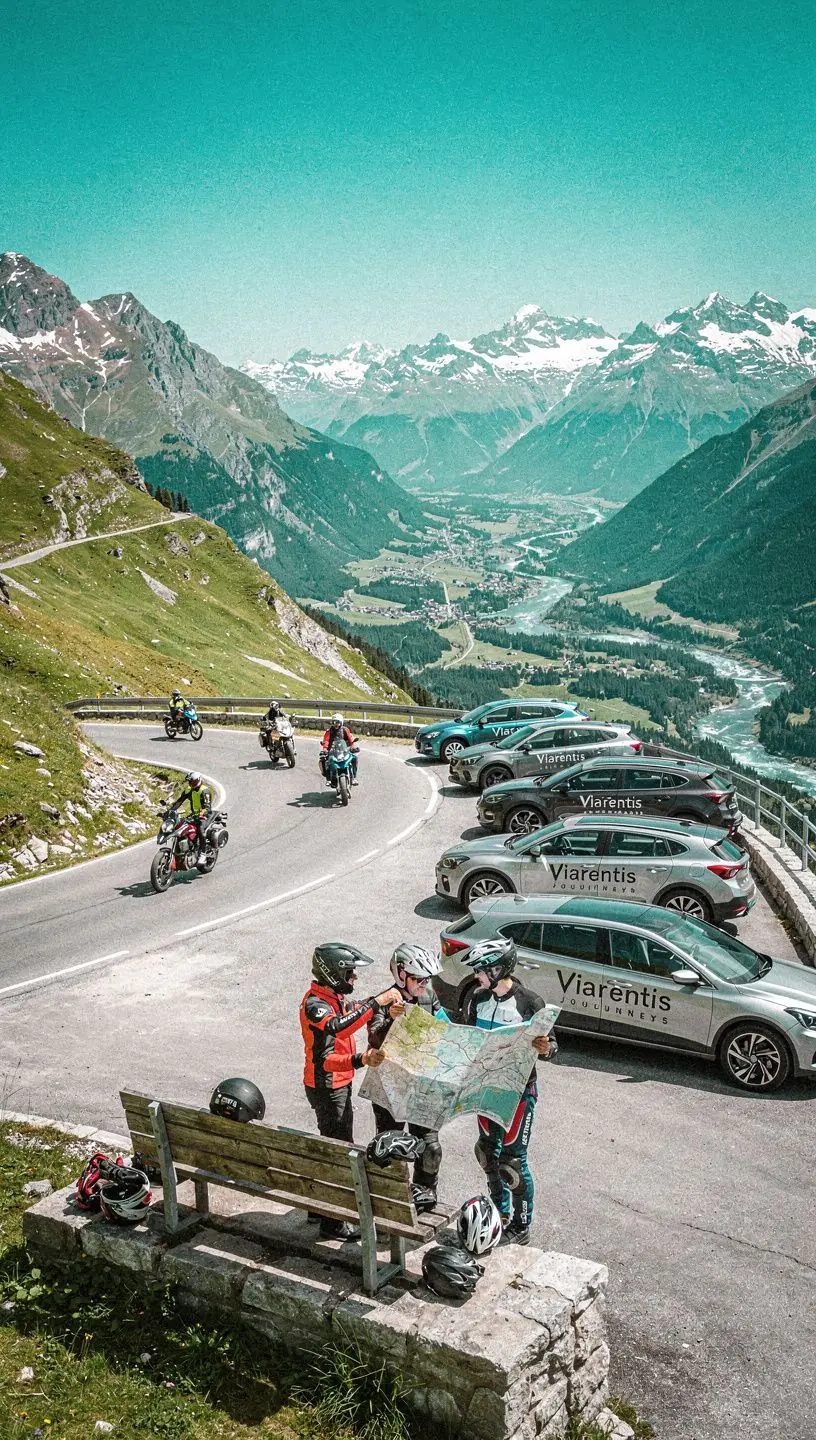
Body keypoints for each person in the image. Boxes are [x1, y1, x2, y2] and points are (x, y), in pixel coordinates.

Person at [300, 942, 403, 1239]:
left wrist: (378, 1004)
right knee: (341, 1152)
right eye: (350, 974)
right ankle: (333, 1222)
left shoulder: (331, 997)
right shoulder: (315, 1005)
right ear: (333, 974)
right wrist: (360, 1059)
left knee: (332, 1145)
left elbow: (353, 1011)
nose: (354, 979)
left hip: (337, 1085)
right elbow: (338, 1032)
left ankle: (318, 1208)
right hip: (327, 1087)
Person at [459, 936, 555, 1246]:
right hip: (486, 1088)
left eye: (481, 970)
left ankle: (521, 1224)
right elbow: (471, 1041)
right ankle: (499, 1214)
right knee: (487, 1154)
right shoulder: (476, 998)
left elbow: (553, 1047)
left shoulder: (530, 1002)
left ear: (499, 969)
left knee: (513, 1163)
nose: (477, 976)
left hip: (518, 1092)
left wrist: (545, 1047)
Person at [366, 942, 445, 1212]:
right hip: (390, 1086)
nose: (425, 984)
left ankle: (423, 1200)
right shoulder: (384, 1000)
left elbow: (443, 1030)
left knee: (431, 1149)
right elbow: (375, 1040)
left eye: (427, 979)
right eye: (419, 979)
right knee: (391, 1149)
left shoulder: (429, 997)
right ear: (401, 974)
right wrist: (390, 1018)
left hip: (422, 1084)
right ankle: (391, 1202)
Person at [168, 770, 212, 854]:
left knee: (201, 830)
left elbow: (207, 807)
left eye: (194, 782)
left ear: (199, 780)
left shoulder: (205, 791)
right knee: (180, 826)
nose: (192, 784)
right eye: (190, 782)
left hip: (205, 816)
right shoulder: (189, 789)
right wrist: (170, 811)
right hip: (194, 815)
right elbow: (179, 801)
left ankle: (203, 853)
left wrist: (200, 815)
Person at [320, 712, 359, 784]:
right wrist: (325, 750)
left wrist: (353, 747)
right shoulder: (329, 731)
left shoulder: (345, 730)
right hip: (332, 751)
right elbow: (326, 741)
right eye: (333, 722)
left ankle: (354, 777)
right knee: (324, 760)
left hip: (344, 750)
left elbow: (351, 739)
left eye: (337, 722)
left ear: (341, 722)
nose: (335, 724)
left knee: (354, 758)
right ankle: (328, 779)